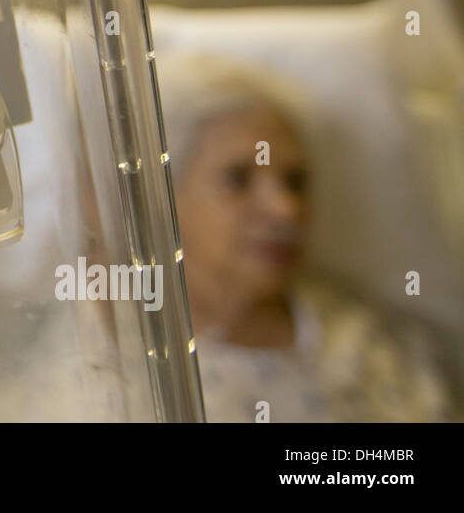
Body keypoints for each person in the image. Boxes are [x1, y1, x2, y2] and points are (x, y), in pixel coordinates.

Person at [160, 52, 457, 422]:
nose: (285, 209)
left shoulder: (368, 347)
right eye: (238, 178)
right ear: (166, 198)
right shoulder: (123, 353)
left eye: (296, 182)